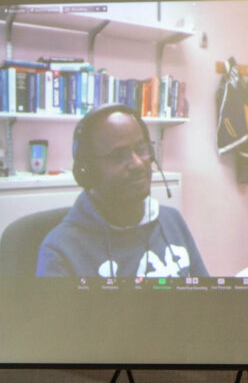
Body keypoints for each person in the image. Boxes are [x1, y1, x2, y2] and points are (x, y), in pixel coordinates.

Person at [36, 104, 208, 278]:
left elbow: (207, 300)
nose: (138, 164)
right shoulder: (60, 250)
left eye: (142, 150)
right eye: (118, 156)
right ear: (87, 172)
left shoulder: (172, 221)